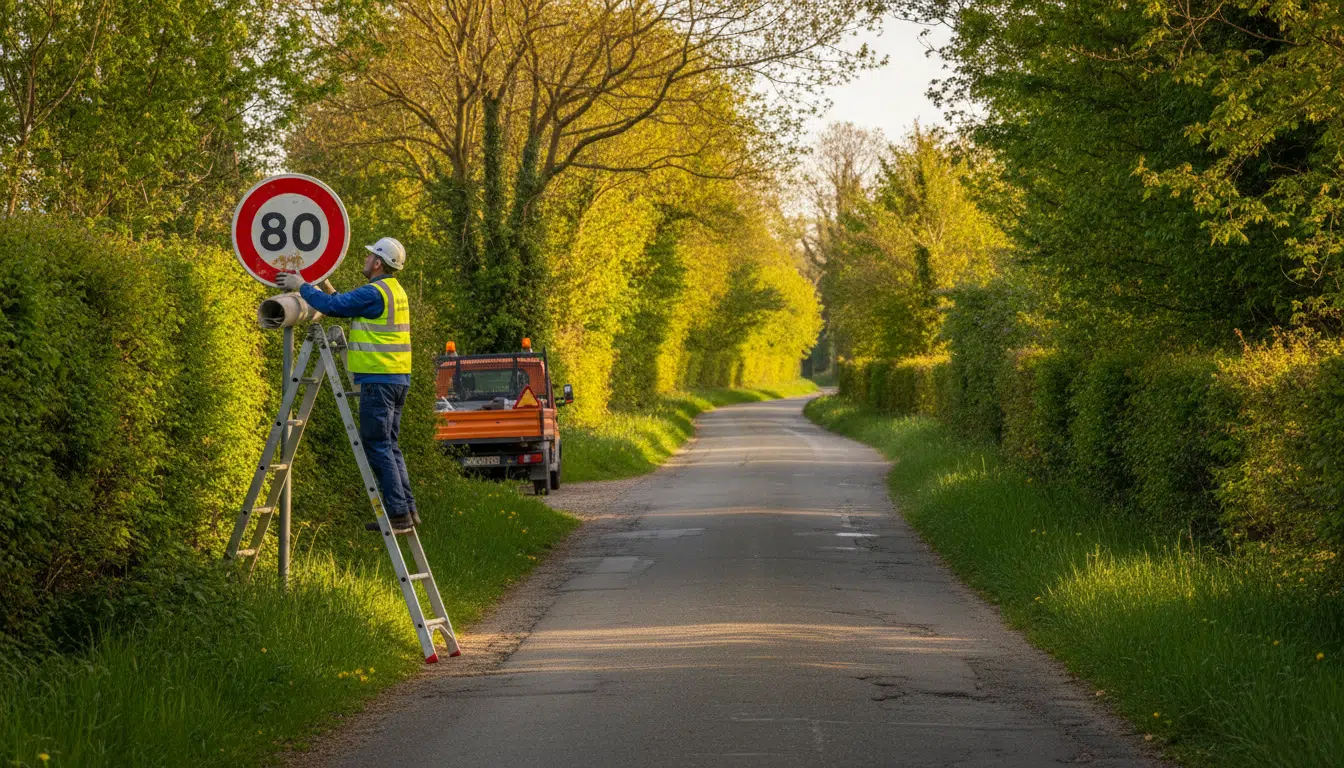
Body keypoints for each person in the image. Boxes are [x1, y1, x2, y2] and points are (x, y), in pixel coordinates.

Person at [275, 237, 418, 532]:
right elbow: (347, 305)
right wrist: (328, 287)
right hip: (397, 378)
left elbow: (333, 307)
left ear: (377, 263)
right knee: (390, 445)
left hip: (378, 379)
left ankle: (398, 514)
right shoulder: (394, 291)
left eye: (369, 256)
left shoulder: (374, 291)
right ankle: (408, 509)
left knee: (377, 445)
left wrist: (301, 285)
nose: (365, 259)